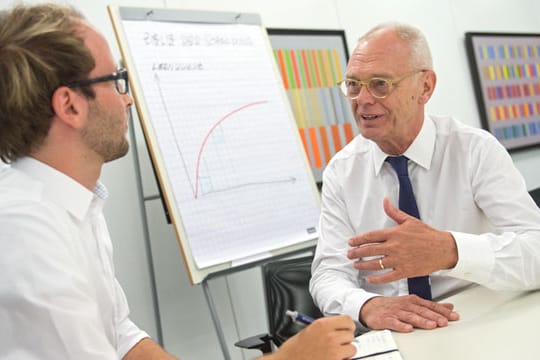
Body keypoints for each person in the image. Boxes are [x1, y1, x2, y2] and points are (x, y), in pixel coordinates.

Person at [0, 3, 356, 360]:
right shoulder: (26, 233)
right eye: (115, 80)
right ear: (70, 106)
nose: (128, 98)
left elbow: (123, 339)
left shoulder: (77, 204)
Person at [310, 21, 540, 334]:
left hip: (474, 320)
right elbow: (328, 274)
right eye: (353, 84)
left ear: (425, 87)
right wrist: (366, 305)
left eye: (380, 84)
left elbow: (536, 250)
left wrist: (451, 250)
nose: (362, 99)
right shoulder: (341, 171)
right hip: (393, 335)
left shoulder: (475, 150)